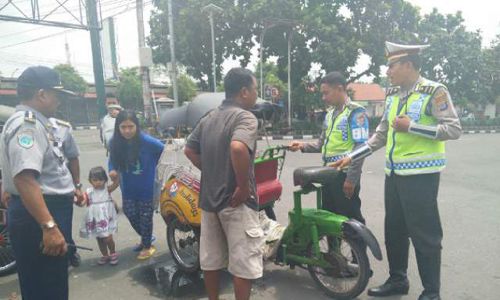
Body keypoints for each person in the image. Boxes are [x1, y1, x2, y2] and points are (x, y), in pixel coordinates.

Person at [331, 42, 462, 300]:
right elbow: (379, 136)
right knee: (395, 230)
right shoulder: (391, 95)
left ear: (409, 65)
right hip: (394, 176)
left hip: (421, 177)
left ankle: (432, 292)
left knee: (425, 235)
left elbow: (454, 129)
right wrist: (350, 157)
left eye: (392, 65)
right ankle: (398, 280)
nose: (388, 71)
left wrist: (413, 127)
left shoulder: (434, 91)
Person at [184, 67, 264, 300]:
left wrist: (211, 171)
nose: (256, 93)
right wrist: (243, 186)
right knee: (243, 264)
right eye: (255, 88)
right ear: (244, 92)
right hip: (235, 202)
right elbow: (238, 148)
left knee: (211, 260)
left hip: (209, 200)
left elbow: (190, 149)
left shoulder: (210, 117)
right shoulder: (245, 117)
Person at [0, 66, 77, 299]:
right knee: (46, 287)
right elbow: (25, 177)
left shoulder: (39, 123)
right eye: (57, 94)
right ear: (41, 94)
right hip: (40, 215)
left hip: (42, 212)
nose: (60, 101)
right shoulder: (28, 125)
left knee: (49, 282)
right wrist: (49, 227)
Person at [289, 71, 369, 224]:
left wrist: (351, 179)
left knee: (351, 219)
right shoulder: (330, 114)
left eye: (326, 93)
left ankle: (358, 248)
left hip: (344, 174)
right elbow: (321, 144)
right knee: (329, 218)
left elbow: (361, 147)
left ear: (339, 89)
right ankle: (334, 248)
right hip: (328, 173)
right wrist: (301, 145)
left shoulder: (355, 111)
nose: (324, 98)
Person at [108, 110, 164, 260]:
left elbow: (161, 149)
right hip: (128, 188)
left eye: (130, 126)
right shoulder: (114, 142)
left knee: (145, 217)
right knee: (130, 213)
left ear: (136, 126)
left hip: (146, 187)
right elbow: (112, 159)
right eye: (123, 127)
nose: (127, 130)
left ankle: (147, 245)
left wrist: (152, 164)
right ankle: (147, 237)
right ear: (117, 127)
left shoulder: (146, 141)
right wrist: (112, 170)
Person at [48, 116, 84, 267]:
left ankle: (69, 252)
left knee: (63, 229)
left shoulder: (63, 128)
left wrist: (77, 186)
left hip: (62, 191)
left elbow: (73, 158)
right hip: (35, 191)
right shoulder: (24, 125)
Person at [79, 166, 119, 265]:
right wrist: (78, 199)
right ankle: (105, 255)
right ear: (90, 181)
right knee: (99, 238)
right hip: (94, 219)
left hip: (106, 218)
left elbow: (116, 184)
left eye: (101, 179)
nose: (98, 182)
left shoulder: (107, 190)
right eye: (95, 180)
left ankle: (113, 253)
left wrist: (116, 177)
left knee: (108, 237)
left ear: (105, 180)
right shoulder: (88, 192)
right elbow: (82, 201)